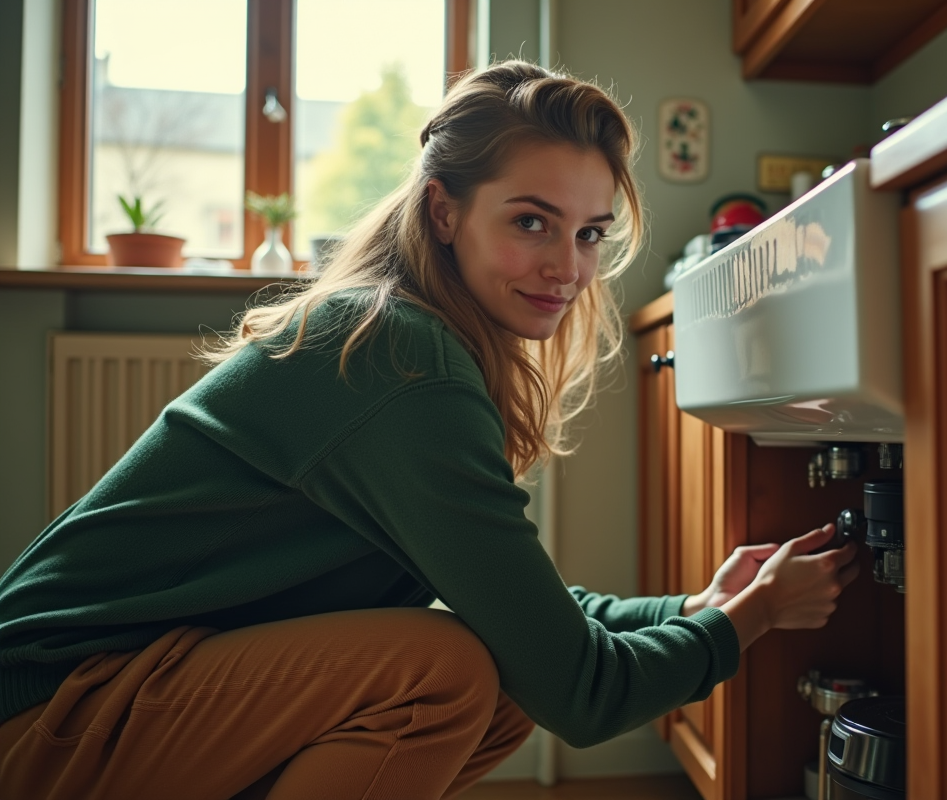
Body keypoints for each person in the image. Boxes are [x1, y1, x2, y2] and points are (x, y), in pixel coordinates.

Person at [0, 61, 860, 800]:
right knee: (442, 672)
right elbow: (584, 693)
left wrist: (694, 606)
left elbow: (532, 626)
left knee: (501, 671)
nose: (568, 267)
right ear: (445, 212)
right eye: (532, 222)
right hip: (48, 711)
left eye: (589, 233)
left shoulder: (412, 338)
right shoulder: (396, 357)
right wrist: (747, 621)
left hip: (141, 685)